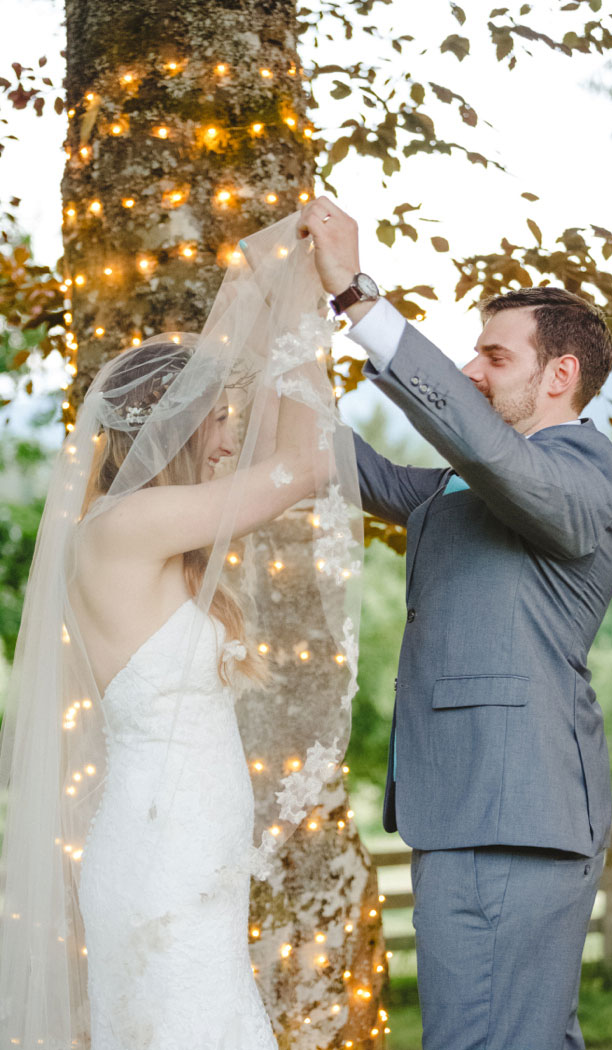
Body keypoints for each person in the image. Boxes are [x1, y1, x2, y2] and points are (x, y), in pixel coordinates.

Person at [0, 213, 363, 1050]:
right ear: (176, 423)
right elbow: (299, 468)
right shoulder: (127, 526)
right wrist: (306, 311)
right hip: (164, 864)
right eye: (219, 419)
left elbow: (286, 458)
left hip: (191, 860)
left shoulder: (155, 525)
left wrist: (292, 308)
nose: (229, 437)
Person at [298, 196, 612, 1050]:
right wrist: (280, 384)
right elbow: (366, 475)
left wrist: (358, 301)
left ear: (558, 375)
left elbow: (481, 445)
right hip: (475, 809)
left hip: (510, 811)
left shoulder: (582, 474)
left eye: (494, 354)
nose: (473, 369)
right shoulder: (468, 488)